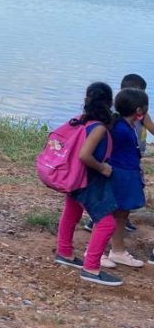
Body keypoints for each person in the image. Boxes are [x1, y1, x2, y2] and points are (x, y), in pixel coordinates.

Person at [54, 82, 122, 286]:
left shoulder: (78, 121)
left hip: (72, 177)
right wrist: (102, 168)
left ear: (86, 100)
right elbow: (85, 155)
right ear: (110, 103)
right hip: (87, 180)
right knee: (107, 222)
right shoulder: (98, 128)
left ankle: (64, 252)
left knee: (72, 212)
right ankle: (91, 268)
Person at [100, 88, 148, 268]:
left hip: (128, 175)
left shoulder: (127, 125)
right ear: (138, 111)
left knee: (122, 213)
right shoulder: (119, 128)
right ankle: (95, 251)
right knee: (109, 214)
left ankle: (117, 250)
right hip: (118, 176)